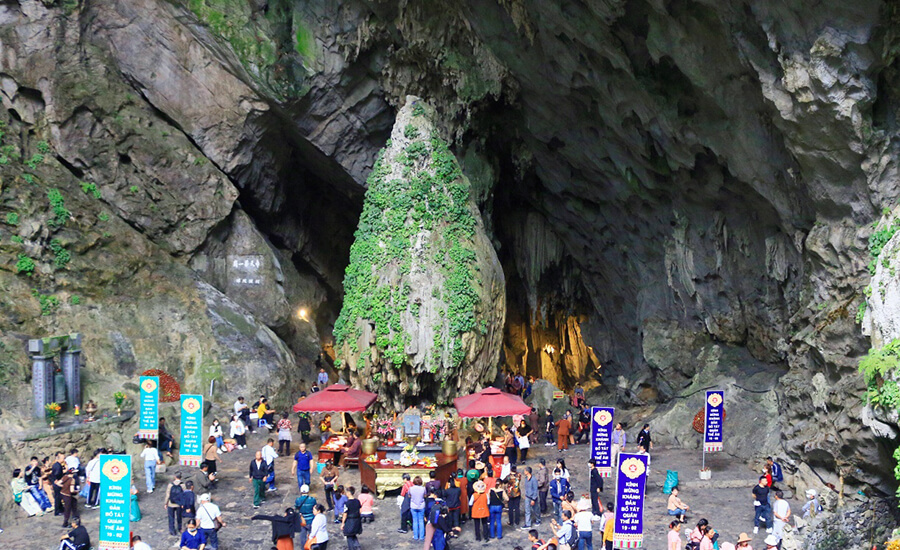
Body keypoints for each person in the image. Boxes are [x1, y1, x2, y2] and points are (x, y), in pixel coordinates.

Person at [294, 484, 317, 549]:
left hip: (302, 520)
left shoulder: (298, 500)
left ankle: (303, 548)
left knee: (302, 537)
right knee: (311, 536)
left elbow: (296, 508)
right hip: (311, 520)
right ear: (308, 491)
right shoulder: (312, 499)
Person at [342, 486, 363, 550]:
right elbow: (360, 511)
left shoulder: (347, 503)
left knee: (349, 536)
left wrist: (343, 523)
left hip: (350, 521)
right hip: (357, 520)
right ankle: (358, 547)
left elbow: (345, 514)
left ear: (348, 493)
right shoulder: (357, 501)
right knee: (353, 535)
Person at [409, 476, 427, 540]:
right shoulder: (423, 488)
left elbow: (409, 495)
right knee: (421, 521)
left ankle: (415, 536)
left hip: (413, 506)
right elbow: (425, 495)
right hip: (421, 506)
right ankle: (422, 536)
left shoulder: (411, 488)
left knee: (415, 521)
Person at [51, 452, 66, 516]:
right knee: (58, 497)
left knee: (58, 497)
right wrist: (57, 480)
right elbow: (56, 474)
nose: (64, 459)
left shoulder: (55, 464)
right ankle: (57, 511)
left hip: (56, 482)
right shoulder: (58, 466)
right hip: (57, 483)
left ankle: (61, 509)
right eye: (63, 458)